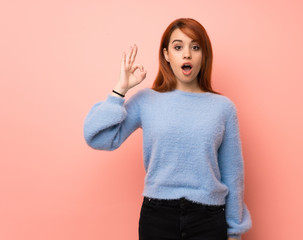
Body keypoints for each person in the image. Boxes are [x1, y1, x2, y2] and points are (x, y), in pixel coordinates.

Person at [83, 18, 252, 240]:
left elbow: (233, 175)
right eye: (178, 47)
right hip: (157, 218)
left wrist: (235, 233)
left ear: (204, 55)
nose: (187, 54)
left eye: (195, 47)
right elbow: (96, 137)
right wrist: (120, 90)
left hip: (209, 219)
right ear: (166, 55)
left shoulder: (224, 108)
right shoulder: (146, 100)